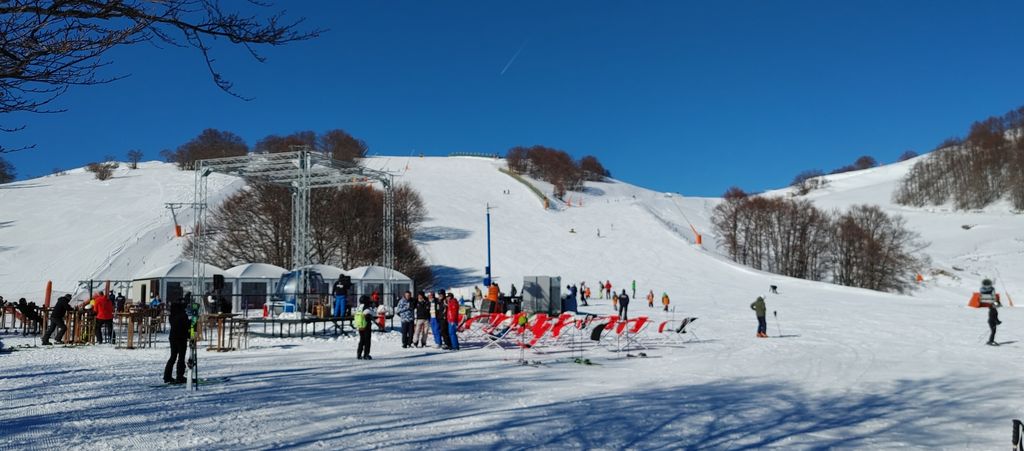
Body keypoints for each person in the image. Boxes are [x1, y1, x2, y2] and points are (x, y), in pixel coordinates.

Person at [164, 297, 190, 384]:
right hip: (181, 337)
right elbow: (187, 326)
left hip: (173, 337)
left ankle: (167, 376)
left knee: (173, 357)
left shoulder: (172, 315)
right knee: (181, 357)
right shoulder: (183, 315)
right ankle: (180, 376)